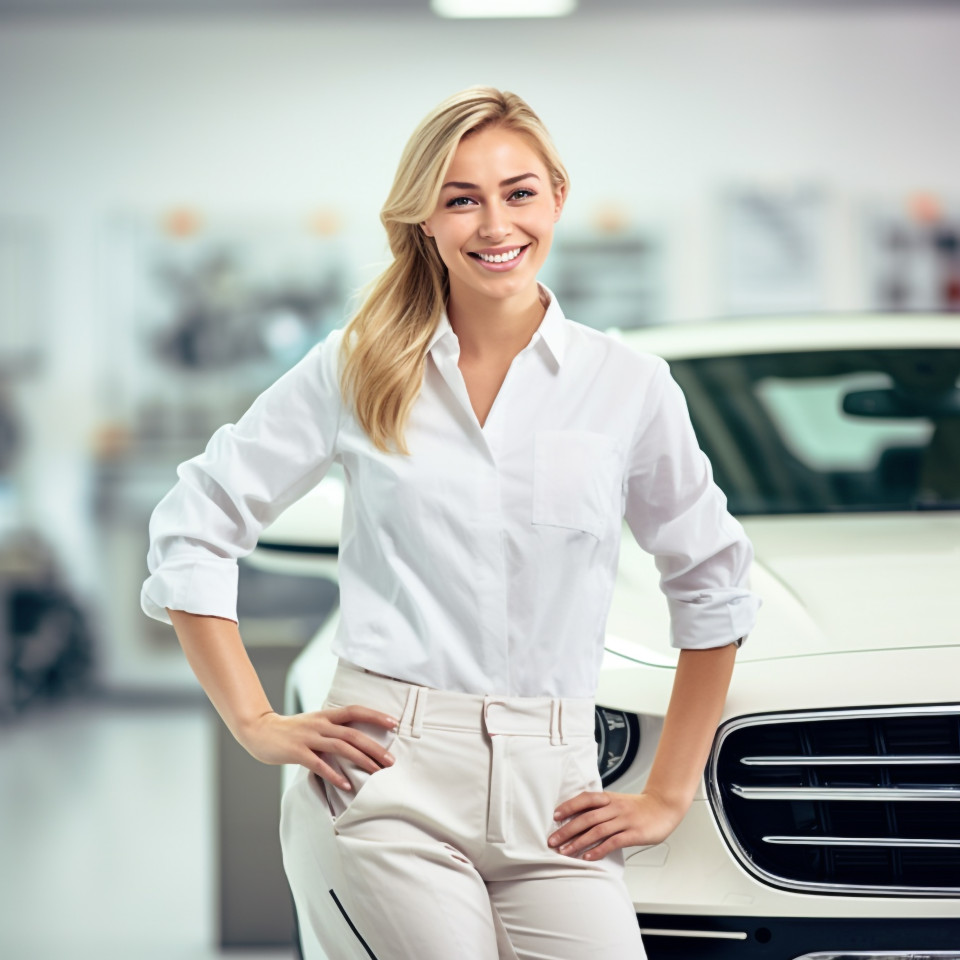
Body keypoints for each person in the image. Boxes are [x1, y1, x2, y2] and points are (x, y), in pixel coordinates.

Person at [141, 86, 760, 960]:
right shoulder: (358, 366)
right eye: (460, 198)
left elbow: (714, 586)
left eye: (518, 192)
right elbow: (195, 520)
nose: (494, 223)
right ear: (423, 220)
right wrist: (253, 720)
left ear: (557, 198)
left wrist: (668, 795)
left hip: (556, 789)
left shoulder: (629, 383)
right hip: (386, 774)